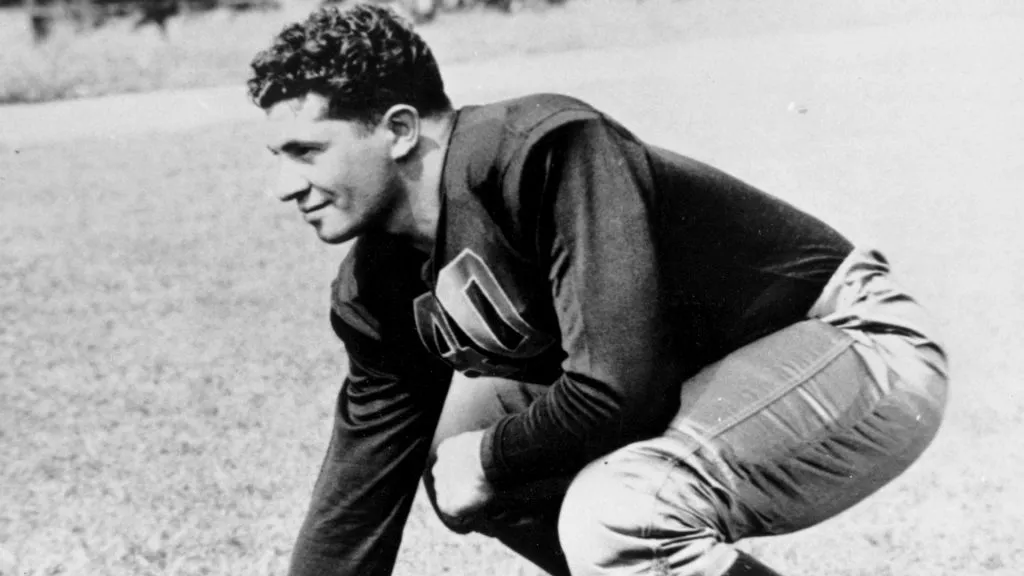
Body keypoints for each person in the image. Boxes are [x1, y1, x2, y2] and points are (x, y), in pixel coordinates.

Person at [247, 4, 949, 576]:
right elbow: (358, 494)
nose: (282, 187)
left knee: (613, 510)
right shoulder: (375, 286)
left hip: (854, 344)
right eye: (276, 157)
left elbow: (618, 386)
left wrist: (491, 458)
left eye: (307, 151)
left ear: (399, 129)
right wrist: (483, 460)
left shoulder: (541, 149)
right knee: (459, 453)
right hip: (703, 375)